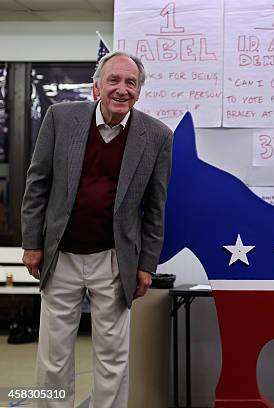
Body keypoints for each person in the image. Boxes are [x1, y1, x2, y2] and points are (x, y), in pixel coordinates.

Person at [21, 51, 173, 407]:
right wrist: (32, 243)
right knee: (53, 356)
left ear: (139, 91)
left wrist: (146, 265)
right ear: (96, 87)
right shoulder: (60, 118)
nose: (122, 89)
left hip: (113, 259)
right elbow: (37, 183)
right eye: (114, 80)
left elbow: (155, 207)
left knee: (113, 358)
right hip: (61, 256)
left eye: (130, 83)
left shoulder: (158, 136)